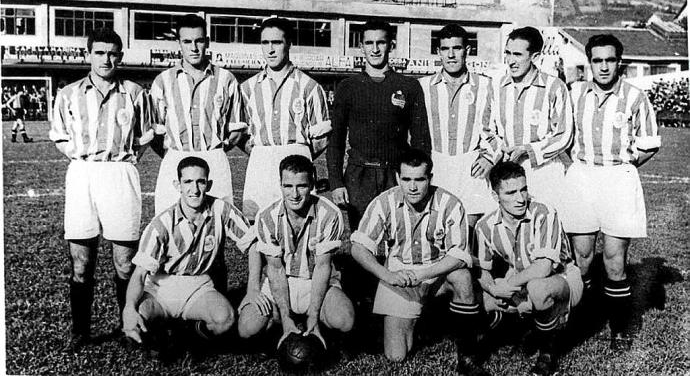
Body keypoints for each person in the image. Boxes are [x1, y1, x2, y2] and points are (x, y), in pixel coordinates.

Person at [48, 28, 154, 352]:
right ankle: (80, 332)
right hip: (82, 174)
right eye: (99, 52)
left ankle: (129, 326)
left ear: (120, 56)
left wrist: (121, 159)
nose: (106, 59)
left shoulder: (135, 92)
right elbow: (59, 135)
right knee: (81, 263)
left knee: (125, 262)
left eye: (112, 53)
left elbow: (145, 136)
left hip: (120, 173)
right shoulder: (68, 94)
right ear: (88, 54)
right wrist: (82, 156)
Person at [561, 34, 660, 351]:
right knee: (583, 258)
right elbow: (562, 137)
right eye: (597, 60)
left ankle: (620, 325)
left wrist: (624, 168)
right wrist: (577, 169)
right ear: (589, 62)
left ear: (620, 62)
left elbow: (648, 144)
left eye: (610, 60)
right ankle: (582, 319)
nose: (603, 67)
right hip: (582, 177)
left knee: (614, 261)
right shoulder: (575, 93)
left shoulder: (634, 96)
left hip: (618, 179)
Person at [350, 149, 486, 374]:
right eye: (406, 179)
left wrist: (424, 275)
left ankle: (467, 354)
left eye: (419, 179)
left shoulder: (449, 203)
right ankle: (420, 322)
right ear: (397, 178)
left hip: (437, 275)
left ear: (430, 178)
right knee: (396, 356)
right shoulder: (384, 202)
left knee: (461, 277)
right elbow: (358, 247)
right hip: (400, 279)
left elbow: (460, 255)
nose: (412, 187)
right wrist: (389, 276)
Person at [122, 157, 252, 355]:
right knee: (138, 326)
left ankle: (188, 333)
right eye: (188, 182)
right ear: (178, 185)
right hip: (161, 287)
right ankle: (165, 330)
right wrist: (129, 308)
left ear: (208, 184)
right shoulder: (162, 224)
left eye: (200, 182)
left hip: (197, 285)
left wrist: (254, 289)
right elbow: (139, 274)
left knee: (225, 320)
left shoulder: (221, 210)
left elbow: (253, 244)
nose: (195, 189)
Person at [476, 161, 582, 376]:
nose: (520, 198)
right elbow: (481, 271)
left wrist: (506, 285)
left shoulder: (544, 213)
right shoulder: (485, 226)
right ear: (496, 197)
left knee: (538, 289)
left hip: (561, 277)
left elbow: (543, 268)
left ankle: (547, 353)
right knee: (479, 300)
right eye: (511, 192)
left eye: (523, 189)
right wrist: (493, 289)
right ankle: (509, 327)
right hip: (519, 278)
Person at [237, 155, 354, 350]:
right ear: (280, 185)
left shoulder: (330, 214)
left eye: (301, 186)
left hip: (314, 281)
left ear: (312, 184)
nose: (294, 194)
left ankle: (316, 325)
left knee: (344, 320)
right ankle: (283, 323)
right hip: (282, 280)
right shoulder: (267, 216)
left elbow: (323, 267)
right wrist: (286, 319)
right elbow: (275, 270)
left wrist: (313, 316)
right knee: (247, 328)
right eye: (288, 186)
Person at [327, 20, 431, 231]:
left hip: (394, 175)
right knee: (362, 239)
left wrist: (417, 179)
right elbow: (335, 140)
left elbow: (421, 140)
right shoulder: (348, 87)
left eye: (381, 43)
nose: (375, 49)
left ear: (390, 45)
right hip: (359, 176)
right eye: (369, 43)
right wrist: (336, 182)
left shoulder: (408, 86)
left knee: (399, 237)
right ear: (361, 46)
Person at [151, 14, 245, 216]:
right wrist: (173, 153)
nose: (193, 48)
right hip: (175, 159)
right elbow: (154, 131)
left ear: (207, 42)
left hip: (214, 160)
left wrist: (215, 151)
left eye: (199, 41)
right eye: (187, 41)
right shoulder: (163, 81)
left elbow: (236, 130)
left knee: (216, 224)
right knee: (172, 226)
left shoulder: (226, 79)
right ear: (179, 43)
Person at [239, 17, 331, 221]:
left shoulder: (310, 87)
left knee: (300, 223)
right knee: (258, 225)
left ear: (288, 43)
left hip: (297, 161)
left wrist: (299, 152)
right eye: (265, 43)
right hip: (260, 163)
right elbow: (241, 134)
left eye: (277, 42)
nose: (270, 50)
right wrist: (260, 152)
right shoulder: (247, 89)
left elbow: (322, 138)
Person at [418, 23, 500, 230]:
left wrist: (489, 157)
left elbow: (498, 127)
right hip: (436, 164)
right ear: (438, 52)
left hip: (471, 165)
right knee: (436, 227)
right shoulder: (422, 86)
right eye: (445, 49)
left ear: (468, 50)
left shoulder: (486, 85)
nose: (451, 55)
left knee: (471, 229)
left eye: (457, 48)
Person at [493, 26, 573, 212]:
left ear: (535, 57)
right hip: (506, 167)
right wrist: (500, 150)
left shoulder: (554, 86)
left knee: (544, 227)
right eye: (508, 53)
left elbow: (564, 135)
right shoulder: (497, 85)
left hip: (543, 170)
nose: (511, 61)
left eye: (518, 55)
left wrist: (527, 150)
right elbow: (487, 128)